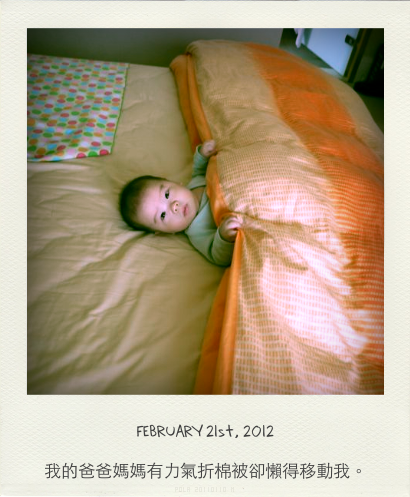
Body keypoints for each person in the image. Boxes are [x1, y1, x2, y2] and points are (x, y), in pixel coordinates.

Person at [119, 140, 243, 266]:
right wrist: (223, 237)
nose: (174, 206)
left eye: (167, 195)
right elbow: (217, 256)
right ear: (165, 232)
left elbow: (199, 170)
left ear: (174, 183)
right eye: (162, 215)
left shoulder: (194, 182)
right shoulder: (197, 233)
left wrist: (202, 155)